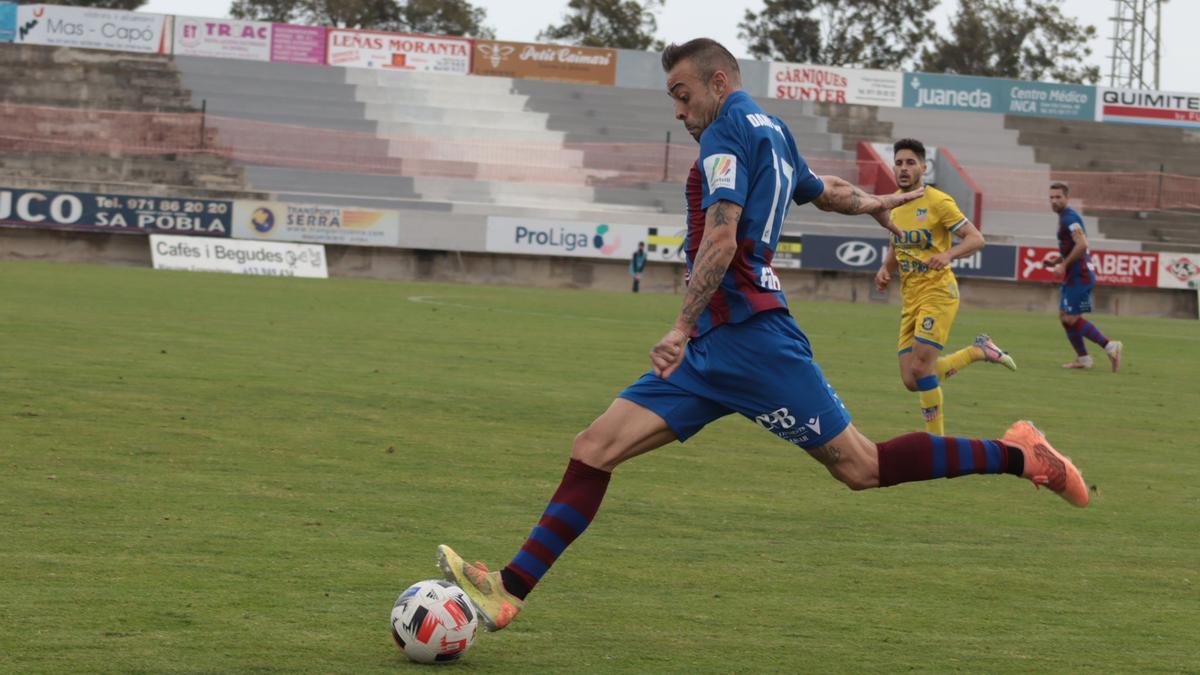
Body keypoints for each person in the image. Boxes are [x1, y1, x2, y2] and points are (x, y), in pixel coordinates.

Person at [437, 38, 1090, 633]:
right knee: (594, 447)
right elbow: (819, 189)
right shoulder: (769, 128)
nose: (679, 110)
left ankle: (1020, 453)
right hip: (714, 348)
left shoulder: (725, 136)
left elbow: (722, 237)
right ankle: (508, 588)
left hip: (751, 340)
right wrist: (871, 202)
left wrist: (680, 325)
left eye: (682, 94)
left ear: (718, 81)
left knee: (862, 467)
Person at [873, 139, 1017, 435]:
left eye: (910, 163)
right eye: (899, 162)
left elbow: (976, 238)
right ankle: (977, 352)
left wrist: (949, 254)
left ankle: (936, 444)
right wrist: (885, 269)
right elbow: (897, 245)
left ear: (924, 168)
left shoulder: (938, 201)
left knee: (921, 367)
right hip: (910, 299)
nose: (903, 168)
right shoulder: (893, 206)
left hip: (938, 293)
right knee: (912, 379)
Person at [1048, 182, 1123, 371]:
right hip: (1075, 275)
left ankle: (1110, 346)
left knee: (1071, 319)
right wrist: (1056, 261)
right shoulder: (1065, 217)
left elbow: (1082, 245)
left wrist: (1063, 265)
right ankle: (1083, 359)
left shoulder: (1069, 218)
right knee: (1064, 316)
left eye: (1058, 197)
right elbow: (1072, 246)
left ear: (1067, 198)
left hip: (1079, 276)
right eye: (1051, 197)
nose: (1054, 201)